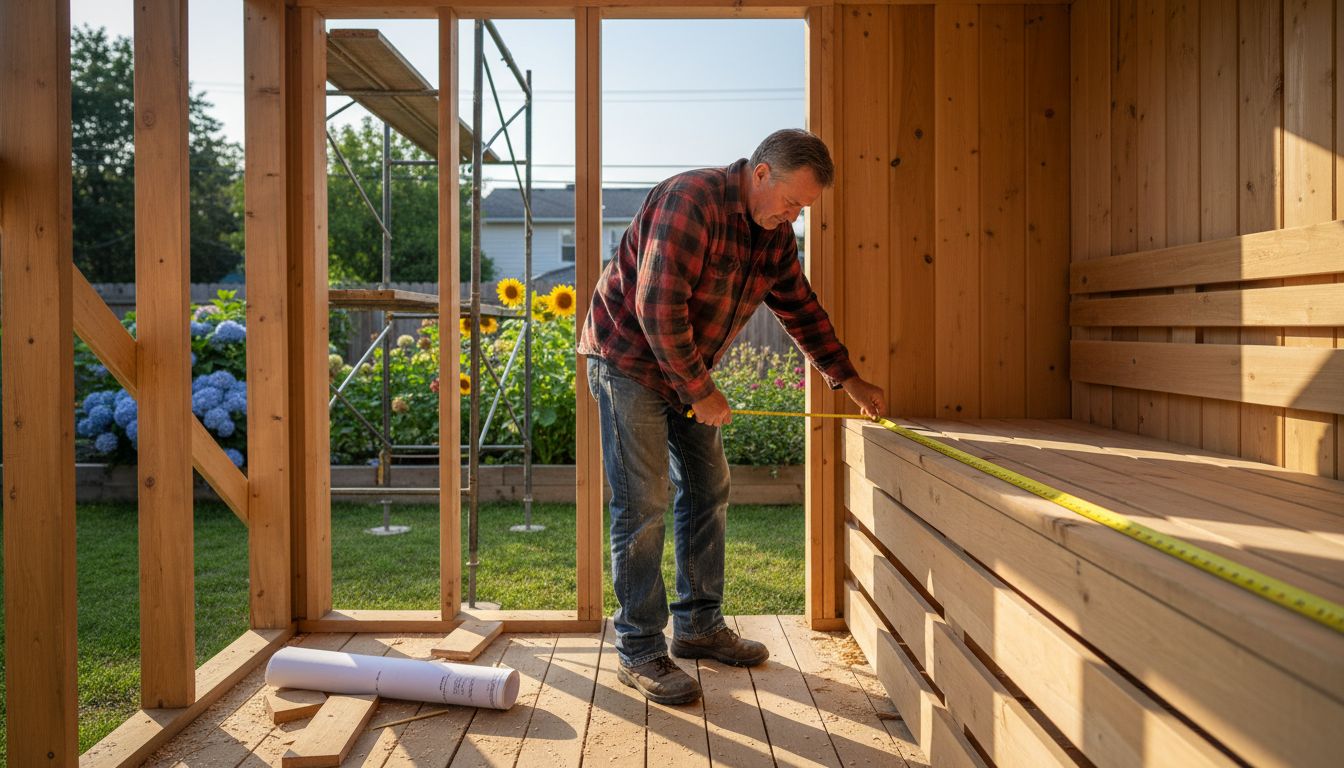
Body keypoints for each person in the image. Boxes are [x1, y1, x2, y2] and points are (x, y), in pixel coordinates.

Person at [578, 128, 886, 705]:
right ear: (761, 173)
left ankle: (697, 625)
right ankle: (640, 649)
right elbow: (656, 304)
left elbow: (800, 308)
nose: (793, 216)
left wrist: (847, 377)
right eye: (792, 202)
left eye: (805, 209)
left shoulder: (773, 234)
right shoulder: (690, 200)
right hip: (628, 360)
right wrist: (700, 389)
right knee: (641, 502)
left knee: (707, 486)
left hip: (684, 365)